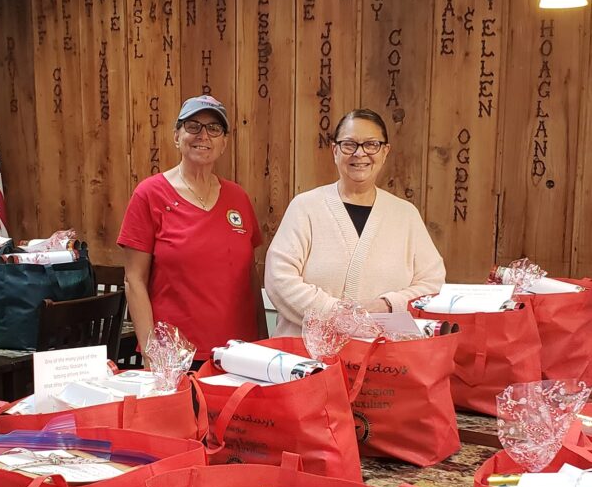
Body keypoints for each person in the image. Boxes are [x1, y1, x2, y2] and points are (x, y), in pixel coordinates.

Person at [264, 108, 445, 336]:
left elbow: (432, 283)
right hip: (307, 359)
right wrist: (338, 315)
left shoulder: (405, 215)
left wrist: (389, 304)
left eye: (371, 145)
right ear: (335, 150)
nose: (360, 154)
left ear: (385, 151)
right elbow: (279, 278)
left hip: (382, 360)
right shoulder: (305, 207)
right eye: (349, 144)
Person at [118, 95, 267, 364]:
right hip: (176, 358)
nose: (203, 135)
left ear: (224, 142)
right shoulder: (149, 194)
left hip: (239, 355)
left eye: (214, 128)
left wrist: (263, 343)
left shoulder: (238, 198)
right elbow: (134, 281)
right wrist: (153, 354)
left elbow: (250, 276)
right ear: (177, 135)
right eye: (193, 126)